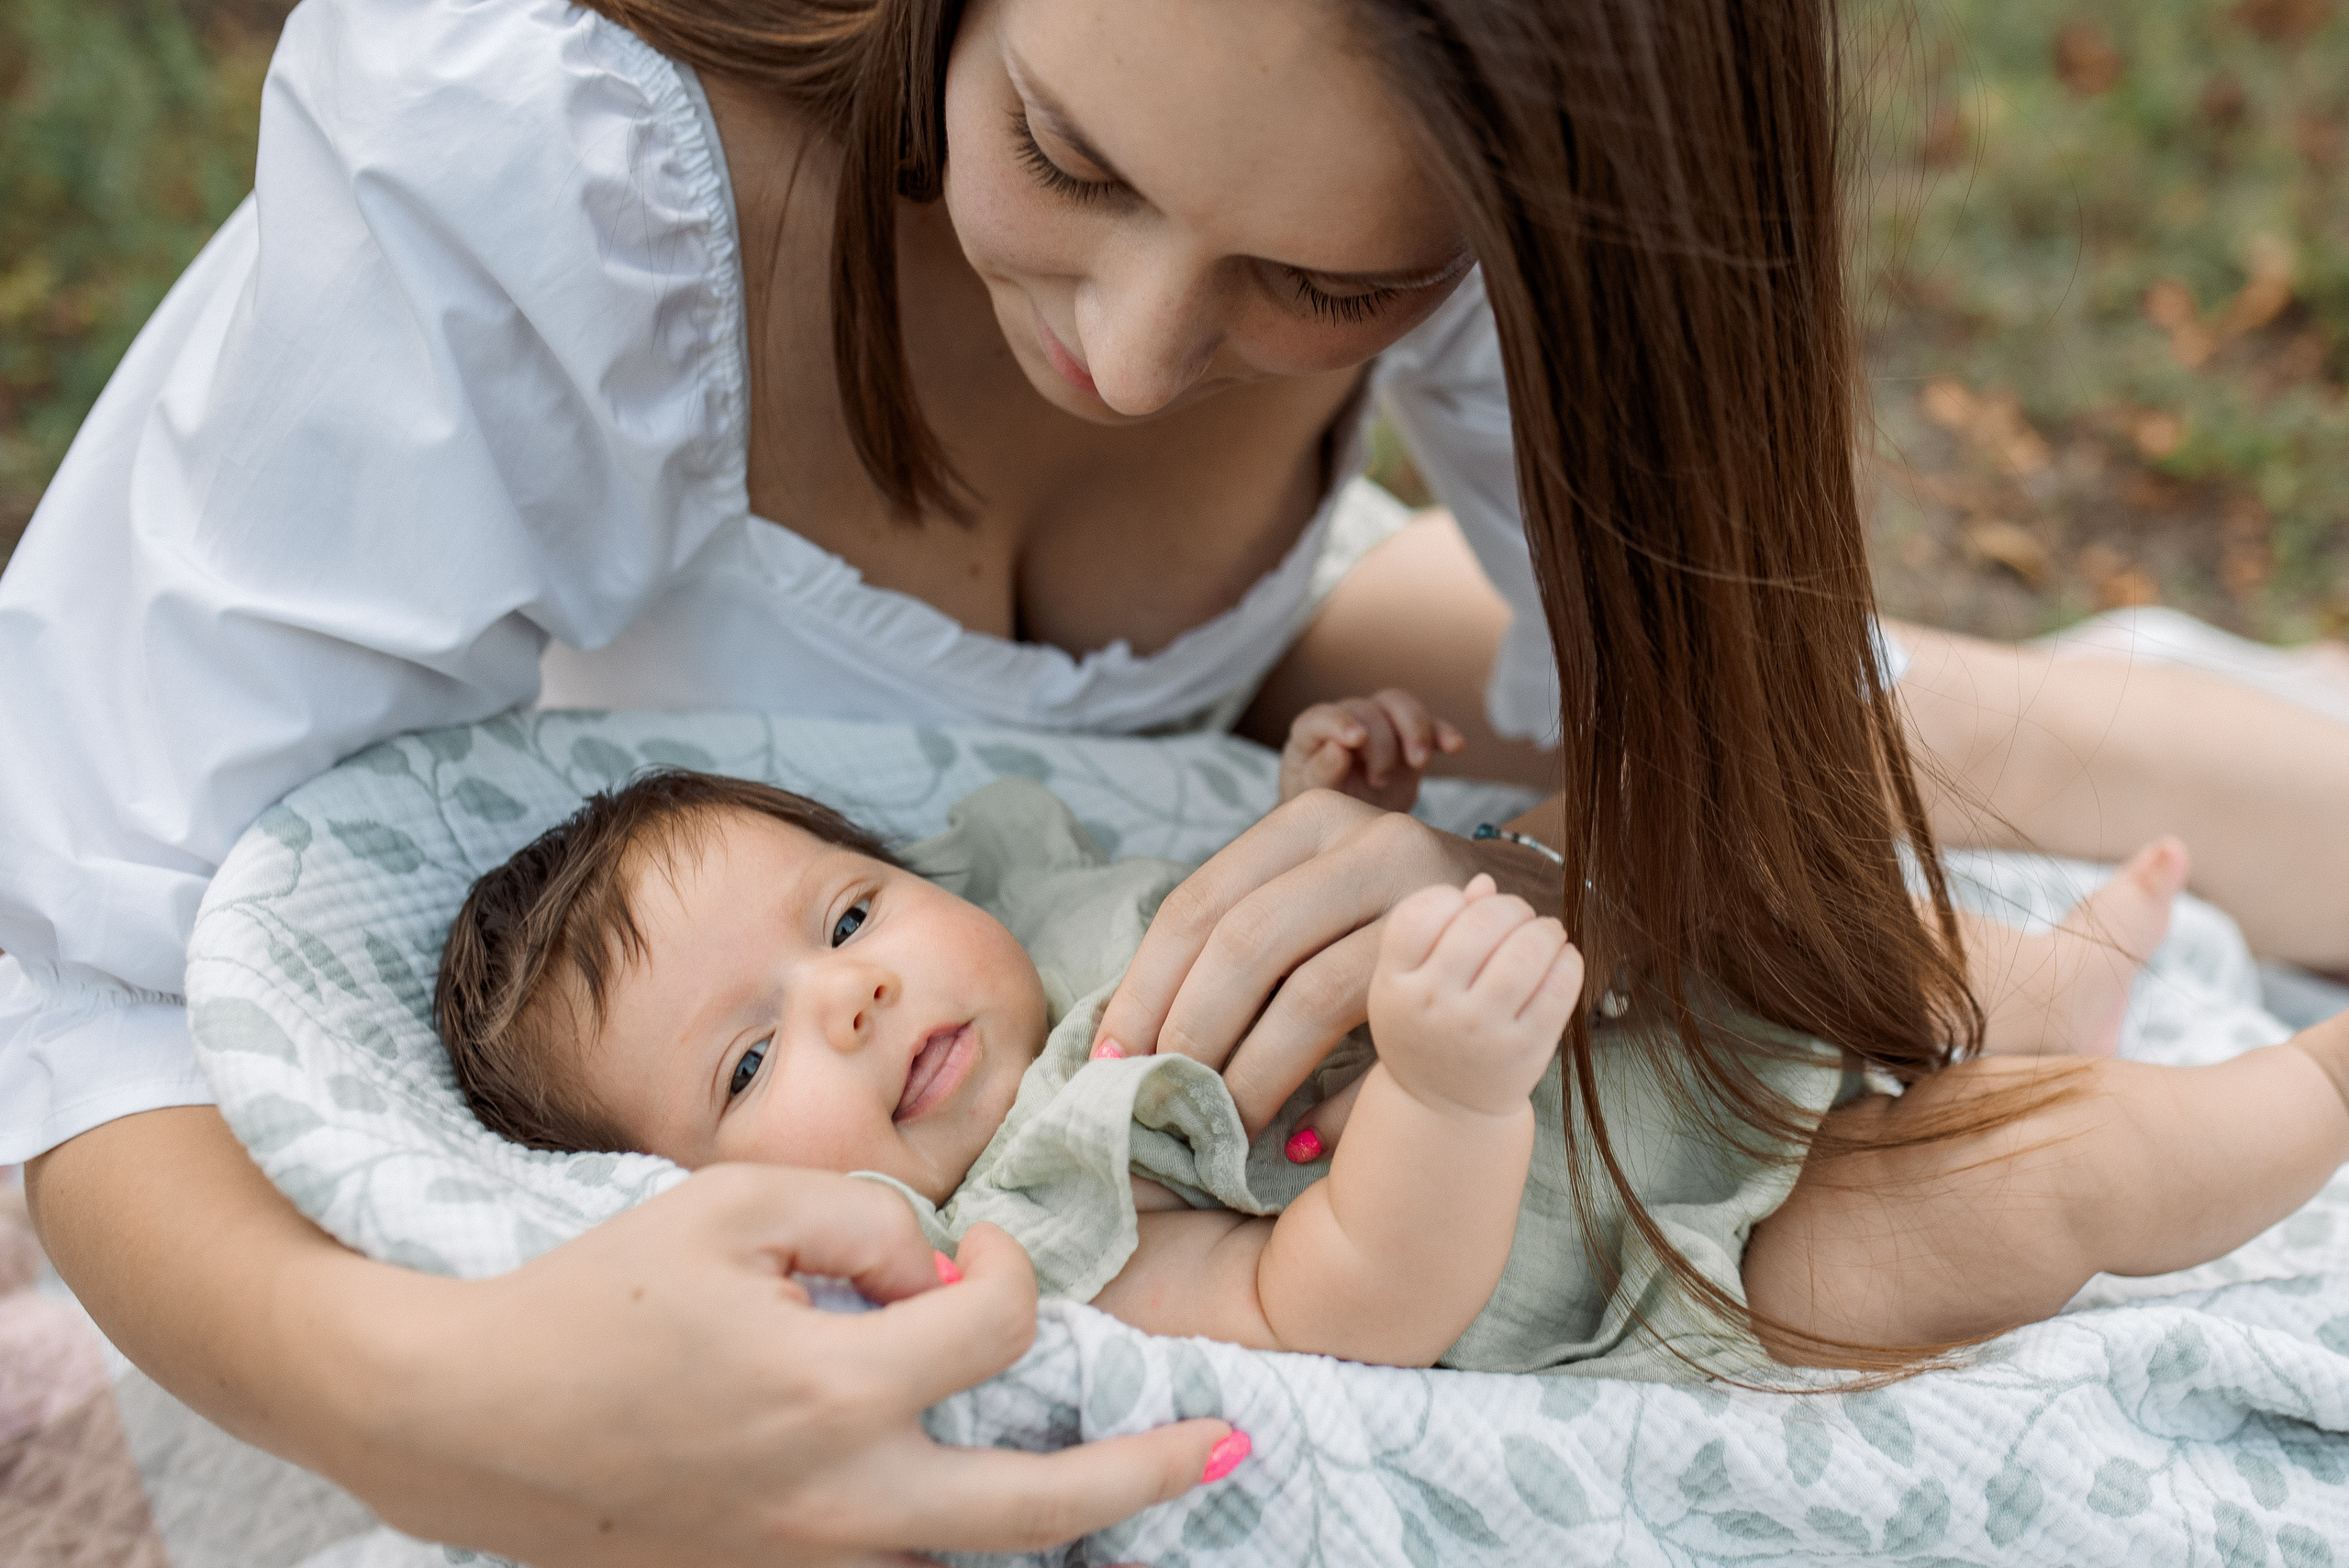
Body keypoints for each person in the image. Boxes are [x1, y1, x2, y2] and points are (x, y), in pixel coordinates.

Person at [4, 0, 2345, 1559]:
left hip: (1207, 784)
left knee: (1956, 735)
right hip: (492, 1297)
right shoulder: (546, 153)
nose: (1128, 359)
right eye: (1060, 153)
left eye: (1318, 285)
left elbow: (1713, 724)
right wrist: (446, 1401)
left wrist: (1523, 869)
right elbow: (64, 967)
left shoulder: (1523, 156)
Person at [429, 762, 2343, 1373]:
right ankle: (2313, 1093)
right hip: (1681, 1255)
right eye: (750, 1058)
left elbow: (1273, 893)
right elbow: (1332, 1300)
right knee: (2063, 1172)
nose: (843, 997)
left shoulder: (1021, 919)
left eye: (842, 922)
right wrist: (1436, 1092)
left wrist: (1339, 782)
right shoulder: (1032, 1219)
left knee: (1780, 876)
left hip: (1646, 1023)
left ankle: (2025, 981)